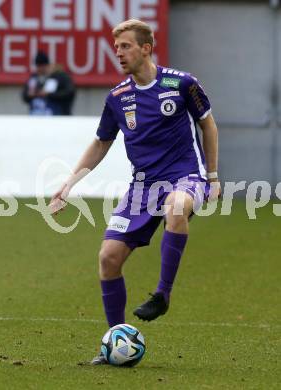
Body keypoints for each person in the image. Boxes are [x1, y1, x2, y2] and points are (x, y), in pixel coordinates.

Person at [49, 19, 221, 365]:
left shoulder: (182, 83)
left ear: (146, 48)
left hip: (185, 175)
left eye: (125, 46)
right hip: (142, 187)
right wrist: (69, 183)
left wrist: (213, 177)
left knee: (176, 208)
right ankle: (115, 340)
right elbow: (101, 142)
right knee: (107, 259)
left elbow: (207, 124)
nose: (119, 54)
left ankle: (162, 294)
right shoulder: (118, 98)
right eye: (117, 48)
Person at [22, 51, 75, 115]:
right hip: (36, 115)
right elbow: (25, 96)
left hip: (57, 116)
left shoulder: (60, 77)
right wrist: (30, 95)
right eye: (38, 66)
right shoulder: (34, 78)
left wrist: (49, 95)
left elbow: (69, 93)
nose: (40, 69)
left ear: (48, 65)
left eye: (43, 66)